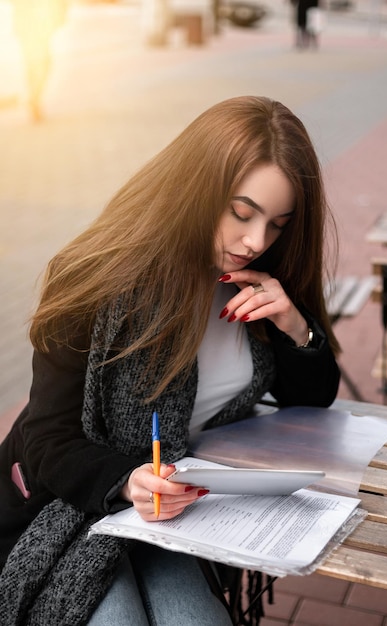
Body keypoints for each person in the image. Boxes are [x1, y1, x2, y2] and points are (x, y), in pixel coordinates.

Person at [0, 95, 341, 625]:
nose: (255, 241)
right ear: (196, 188)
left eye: (277, 223)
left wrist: (296, 328)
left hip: (186, 510)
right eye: (242, 213)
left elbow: (312, 397)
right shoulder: (97, 278)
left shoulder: (264, 281)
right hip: (72, 501)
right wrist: (127, 480)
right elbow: (47, 441)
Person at [11, 0, 69, 121]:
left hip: (39, 24)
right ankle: (34, 98)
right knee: (38, 62)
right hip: (31, 25)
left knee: (40, 63)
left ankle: (34, 97)